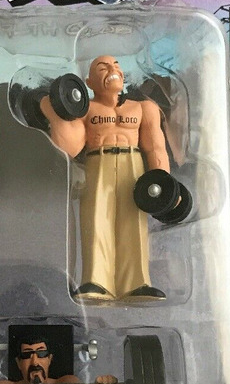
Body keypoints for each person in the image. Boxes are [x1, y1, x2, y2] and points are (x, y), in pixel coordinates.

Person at [39, 54, 171, 301]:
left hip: (133, 164)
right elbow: (71, 147)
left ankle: (137, 282)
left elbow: (155, 146)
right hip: (97, 162)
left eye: (116, 66)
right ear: (89, 82)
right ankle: (96, 280)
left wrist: (164, 185)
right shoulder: (86, 110)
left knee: (133, 221)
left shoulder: (144, 108)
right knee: (96, 219)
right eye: (103, 67)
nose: (112, 70)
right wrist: (54, 111)